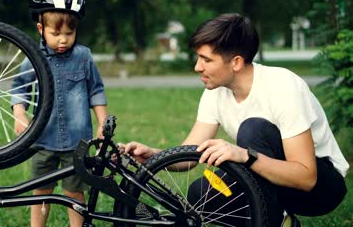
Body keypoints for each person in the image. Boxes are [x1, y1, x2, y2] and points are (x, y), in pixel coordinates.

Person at [122, 13, 348, 226]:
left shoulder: (283, 87)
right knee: (200, 195)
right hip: (269, 177)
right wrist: (154, 156)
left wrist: (245, 156)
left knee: (253, 129)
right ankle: (281, 219)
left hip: (321, 186)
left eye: (206, 60)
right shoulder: (215, 92)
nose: (197, 67)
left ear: (236, 63)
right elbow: (190, 155)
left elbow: (306, 177)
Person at [11, 0, 108, 227]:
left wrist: (102, 122)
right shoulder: (33, 56)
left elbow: (96, 90)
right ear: (41, 29)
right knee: (40, 192)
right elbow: (19, 87)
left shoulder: (84, 56)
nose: (63, 40)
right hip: (43, 139)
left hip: (77, 142)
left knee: (74, 193)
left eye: (70, 33)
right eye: (56, 34)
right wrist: (19, 113)